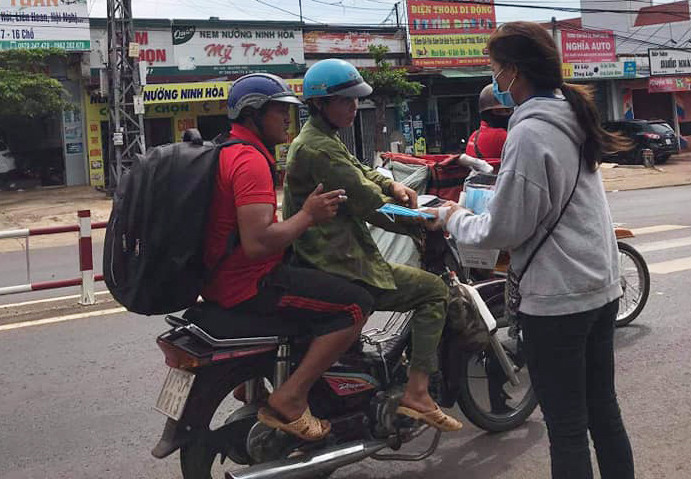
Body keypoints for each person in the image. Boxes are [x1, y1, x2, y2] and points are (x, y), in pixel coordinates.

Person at [437, 22, 635, 478]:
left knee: (566, 427)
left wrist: (451, 218)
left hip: (559, 298)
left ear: (514, 72)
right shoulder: (569, 112)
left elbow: (505, 228)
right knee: (604, 413)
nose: (494, 80)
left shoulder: (529, 132)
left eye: (494, 69)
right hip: (599, 287)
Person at [284, 59, 462, 432]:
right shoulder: (319, 148)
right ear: (320, 104)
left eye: (355, 100)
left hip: (336, 254)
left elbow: (361, 173)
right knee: (432, 292)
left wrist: (393, 184)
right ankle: (418, 391)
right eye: (345, 101)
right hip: (338, 262)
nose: (353, 107)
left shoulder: (322, 138)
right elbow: (372, 207)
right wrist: (426, 219)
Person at [201, 73, 375, 442]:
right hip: (251, 283)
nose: (287, 119)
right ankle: (292, 395)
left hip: (223, 279)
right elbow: (259, 242)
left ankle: (258, 381)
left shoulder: (227, 149)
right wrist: (309, 215)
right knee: (356, 304)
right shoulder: (249, 161)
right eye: (279, 111)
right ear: (252, 115)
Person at [465, 83, 513, 161]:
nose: (510, 114)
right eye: (507, 111)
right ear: (496, 111)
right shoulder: (500, 135)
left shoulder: (474, 135)